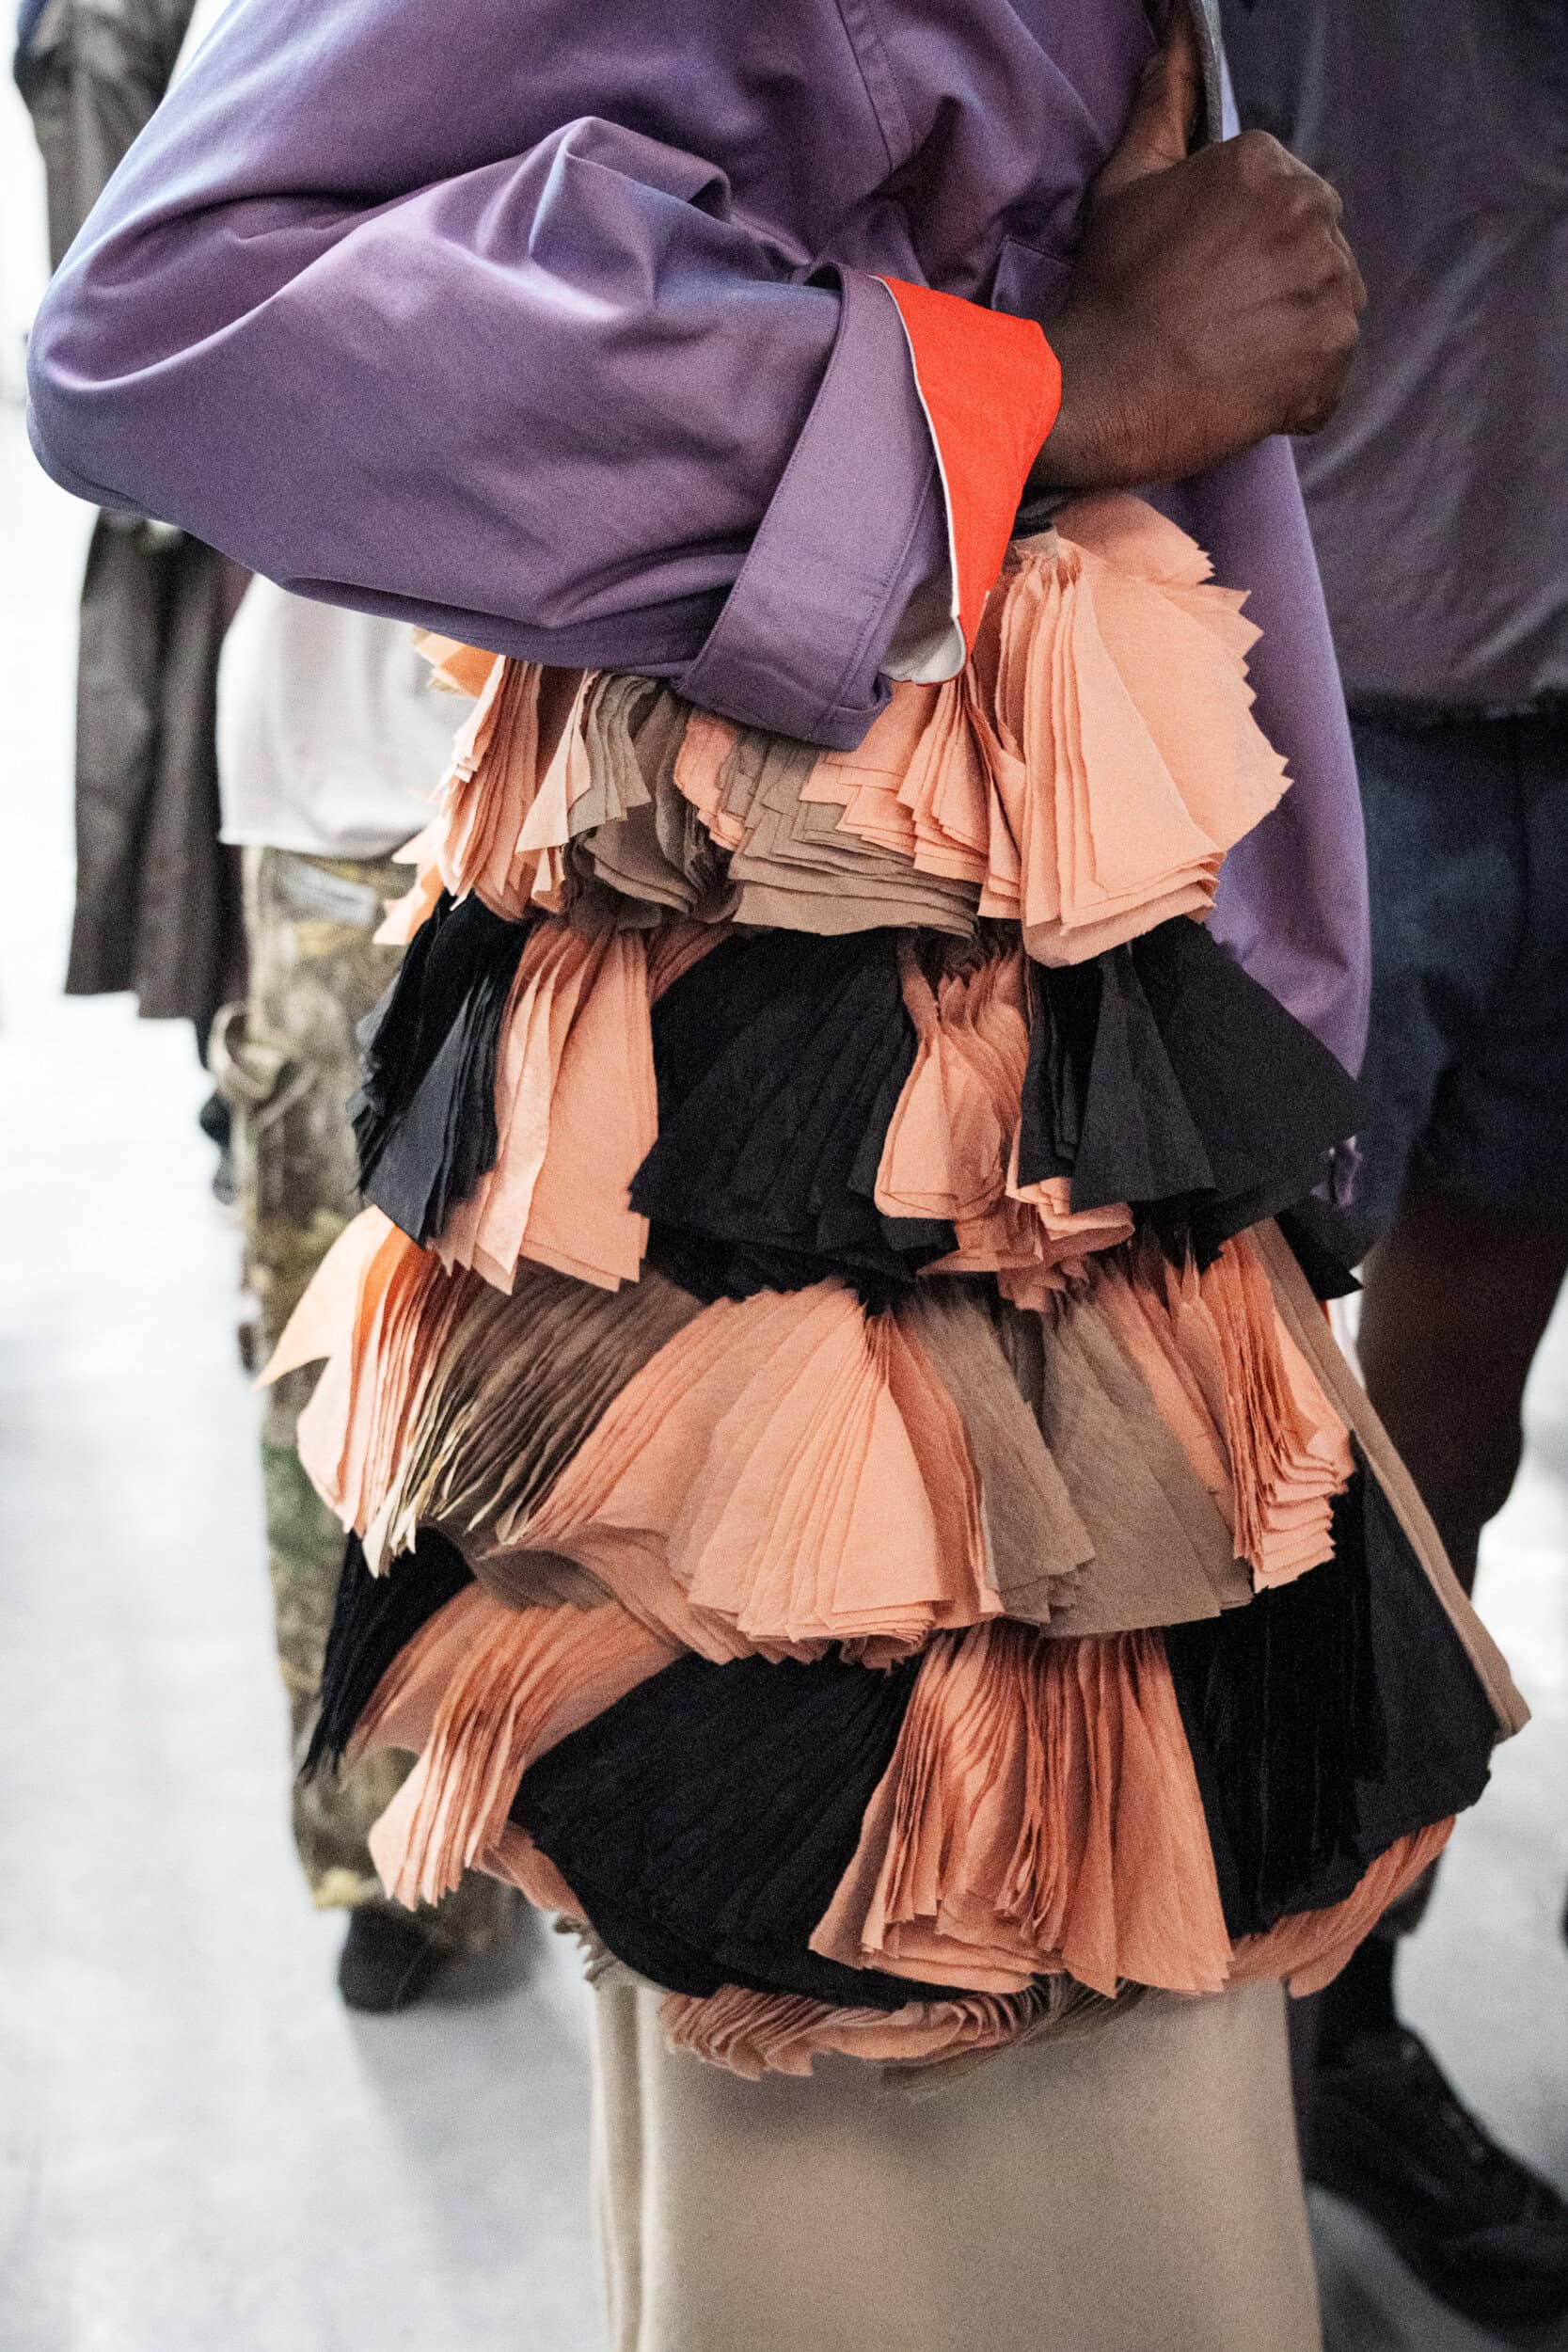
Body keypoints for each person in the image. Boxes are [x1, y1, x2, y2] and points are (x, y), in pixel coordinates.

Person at [25, 5, 1529, 2347]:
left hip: (1030, 1023)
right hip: (860, 1075)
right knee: (942, 2100)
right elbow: (182, 314)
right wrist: (1039, 386)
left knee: (1022, 2067)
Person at [1221, 3, 1568, 2328]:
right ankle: (1205, 2064)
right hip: (1320, 727)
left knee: (1447, 1454)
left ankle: (1334, 2025)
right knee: (1240, 1460)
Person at [211, 580, 514, 2010]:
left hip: (573, 834)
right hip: (363, 836)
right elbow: (84, 393)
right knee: (340, 1403)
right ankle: (397, 1858)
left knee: (572, 1397)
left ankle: (472, 1841)